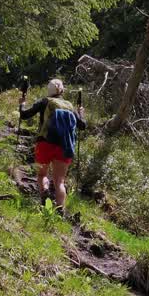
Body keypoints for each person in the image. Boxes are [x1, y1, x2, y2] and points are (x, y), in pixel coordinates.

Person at [19, 78, 86, 209]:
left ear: (48, 90)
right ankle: (60, 210)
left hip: (44, 144)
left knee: (42, 174)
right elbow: (82, 125)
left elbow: (24, 115)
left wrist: (22, 104)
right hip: (64, 146)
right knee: (59, 181)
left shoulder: (45, 102)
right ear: (62, 90)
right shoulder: (70, 106)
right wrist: (81, 113)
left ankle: (44, 194)